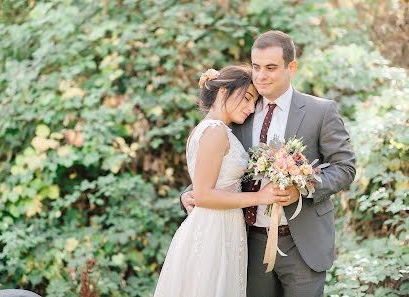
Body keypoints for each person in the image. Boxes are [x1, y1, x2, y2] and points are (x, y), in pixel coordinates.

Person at [180, 31, 356, 297]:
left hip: (303, 244)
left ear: (291, 68)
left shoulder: (320, 111)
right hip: (248, 243)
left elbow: (345, 167)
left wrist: (303, 187)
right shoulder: (240, 110)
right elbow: (217, 161)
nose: (260, 76)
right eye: (256, 66)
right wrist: (190, 193)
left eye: (271, 67)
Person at [153, 65, 291, 297]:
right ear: (222, 91)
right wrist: (261, 196)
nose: (249, 108)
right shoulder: (215, 131)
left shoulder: (220, 130)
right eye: (246, 98)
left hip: (225, 227)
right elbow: (205, 195)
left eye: (253, 103)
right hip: (212, 230)